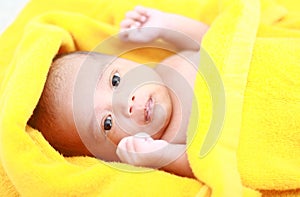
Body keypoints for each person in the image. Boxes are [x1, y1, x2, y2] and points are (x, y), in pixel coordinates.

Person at [28, 5, 209, 178]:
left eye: (115, 81)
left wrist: (165, 26)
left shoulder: (168, 65)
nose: (124, 104)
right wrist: (163, 155)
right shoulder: (163, 148)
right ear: (112, 157)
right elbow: (208, 162)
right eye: (107, 123)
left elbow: (210, 38)